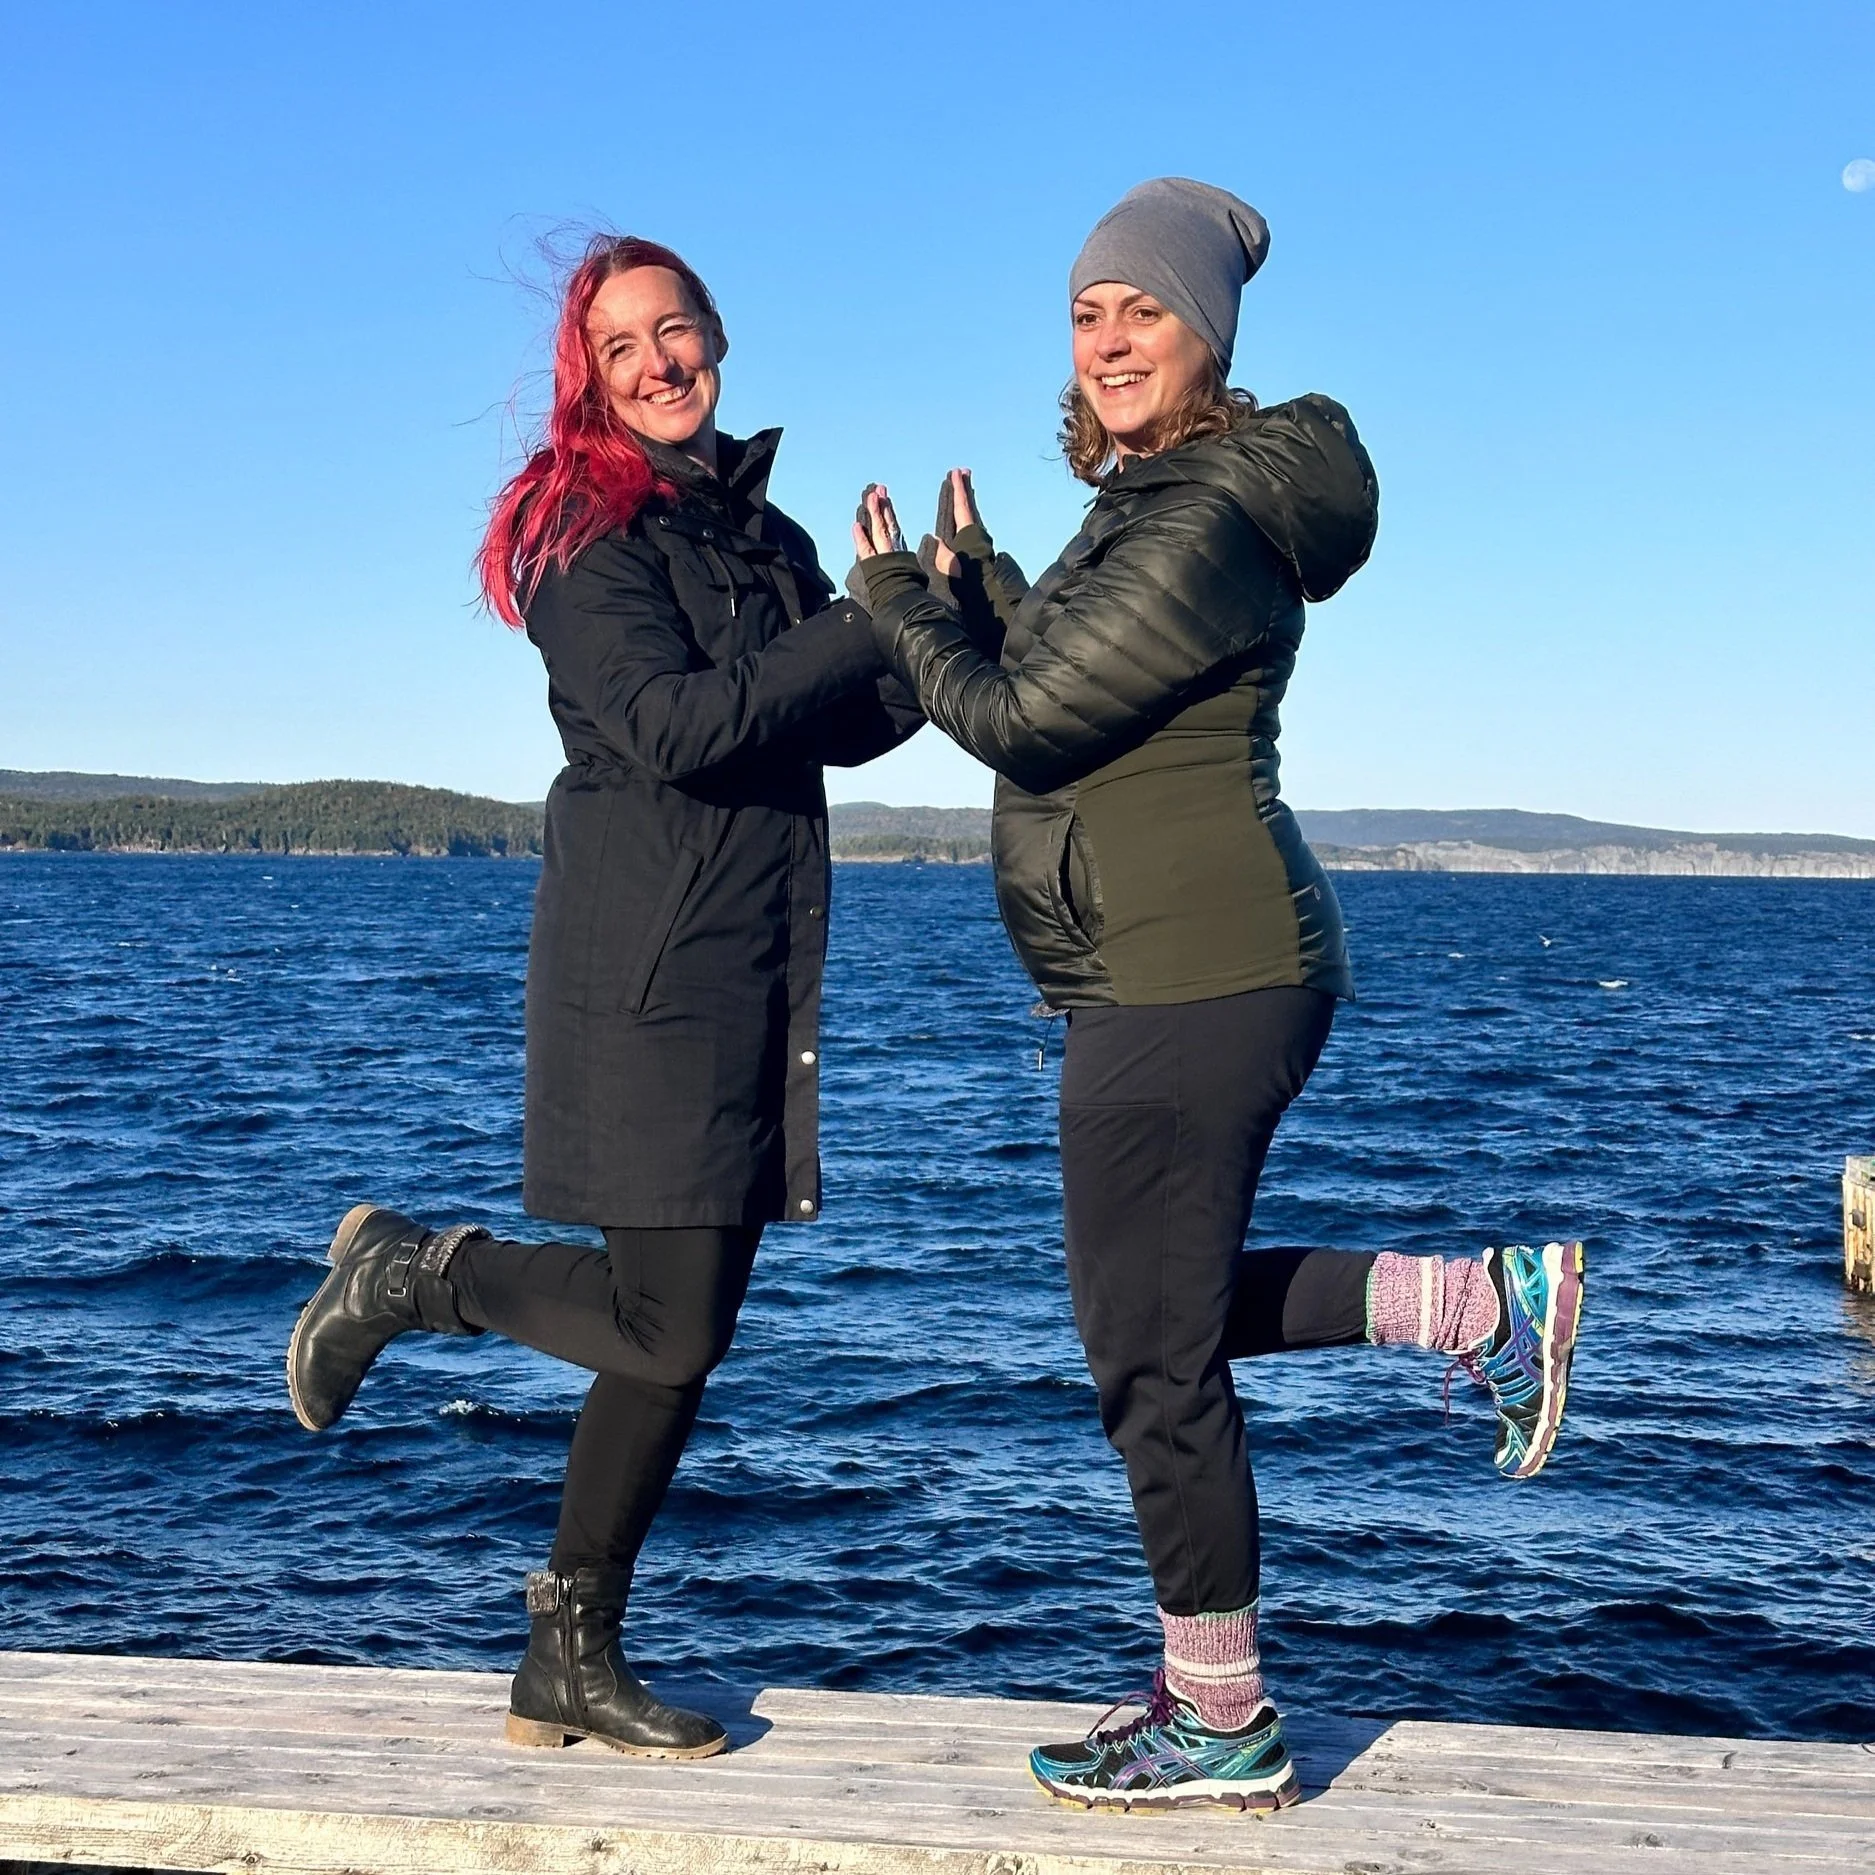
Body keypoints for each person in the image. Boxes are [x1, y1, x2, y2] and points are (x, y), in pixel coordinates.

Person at [852, 178, 1585, 1814]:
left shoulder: (1191, 516)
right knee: (1158, 1318)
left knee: (1147, 1355)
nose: (1108, 339)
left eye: (1143, 313)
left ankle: (1222, 1719)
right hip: (1190, 967)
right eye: (1085, 312)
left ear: (1209, 340)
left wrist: (900, 607)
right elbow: (1078, 672)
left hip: (1189, 975)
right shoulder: (1179, 505)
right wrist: (980, 584)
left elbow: (1030, 718)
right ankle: (1480, 1306)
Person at [285, 233, 921, 1760]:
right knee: (670, 1324)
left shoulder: (752, 530)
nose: (656, 360)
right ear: (590, 370)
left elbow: (836, 731)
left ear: (717, 343)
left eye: (677, 330)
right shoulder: (585, 529)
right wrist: (857, 623)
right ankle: (411, 1273)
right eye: (623, 341)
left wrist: (934, 617)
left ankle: (567, 1650)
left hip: (751, 962)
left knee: (671, 1333)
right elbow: (674, 724)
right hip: (646, 969)